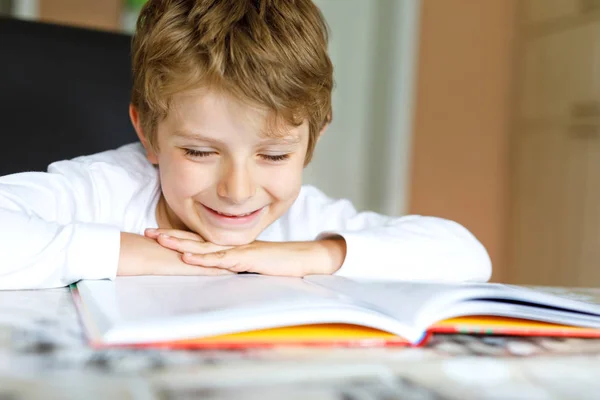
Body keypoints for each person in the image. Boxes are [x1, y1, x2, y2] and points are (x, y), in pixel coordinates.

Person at [0, 0, 491, 290]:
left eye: (274, 156)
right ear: (149, 134)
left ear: (311, 144)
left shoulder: (306, 224)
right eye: (199, 152)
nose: (238, 191)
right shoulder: (102, 191)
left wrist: (306, 257)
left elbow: (465, 255)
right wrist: (169, 259)